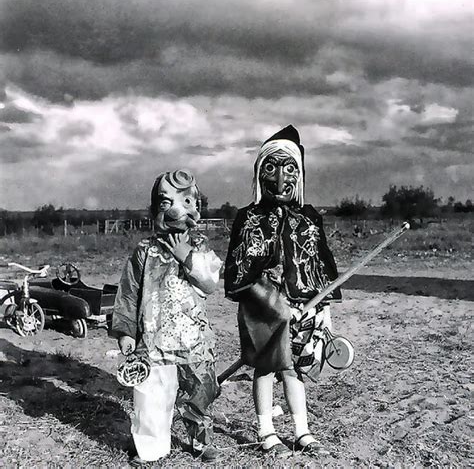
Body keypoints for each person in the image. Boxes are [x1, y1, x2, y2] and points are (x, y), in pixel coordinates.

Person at [224, 125, 341, 457]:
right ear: (260, 172)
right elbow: (240, 272)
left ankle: (302, 432)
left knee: (295, 369)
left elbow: (320, 267)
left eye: (289, 168)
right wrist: (274, 303)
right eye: (271, 167)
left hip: (304, 310)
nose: (279, 179)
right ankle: (267, 432)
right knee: (265, 369)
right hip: (262, 311)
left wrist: (323, 311)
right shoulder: (248, 218)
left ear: (300, 174)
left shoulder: (309, 218)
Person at [111, 169, 222, 465]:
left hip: (193, 341)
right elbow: (129, 293)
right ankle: (151, 446)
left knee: (200, 392)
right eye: (165, 203)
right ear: (153, 211)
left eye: (186, 201)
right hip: (153, 339)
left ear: (196, 206)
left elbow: (209, 283)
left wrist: (186, 254)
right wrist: (125, 332)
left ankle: (199, 441)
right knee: (150, 396)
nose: (175, 210)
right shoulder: (144, 251)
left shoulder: (200, 247)